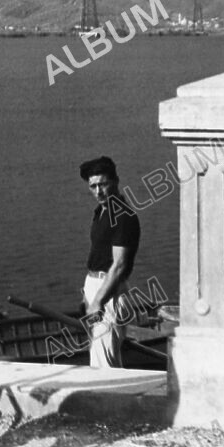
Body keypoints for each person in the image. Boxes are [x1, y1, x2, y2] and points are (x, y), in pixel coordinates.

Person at [78, 156, 141, 368]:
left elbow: (119, 265)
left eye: (103, 184)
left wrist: (98, 301)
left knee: (104, 367)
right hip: (96, 288)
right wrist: (89, 294)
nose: (98, 191)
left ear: (116, 181)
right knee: (100, 360)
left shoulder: (123, 216)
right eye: (93, 186)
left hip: (109, 294)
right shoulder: (101, 212)